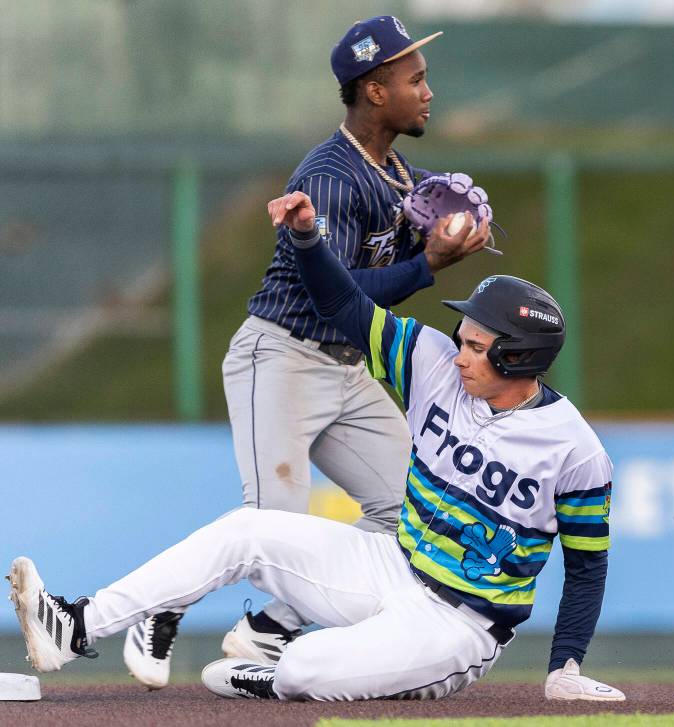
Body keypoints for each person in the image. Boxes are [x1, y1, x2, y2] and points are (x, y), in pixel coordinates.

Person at [9, 190, 624, 703]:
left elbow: (588, 565)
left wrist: (564, 668)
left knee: (309, 670)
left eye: (477, 342)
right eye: (461, 334)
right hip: (392, 565)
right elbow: (343, 305)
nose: (459, 347)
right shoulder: (433, 365)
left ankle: (278, 676)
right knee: (248, 529)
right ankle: (76, 624)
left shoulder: (574, 450)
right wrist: (307, 239)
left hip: (458, 626)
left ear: (519, 356)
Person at [123, 16, 493, 689]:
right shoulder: (328, 178)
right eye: (415, 80)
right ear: (375, 91)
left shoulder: (397, 170)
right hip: (284, 354)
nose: (428, 91)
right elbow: (338, 298)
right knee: (274, 524)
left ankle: (270, 627)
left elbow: (428, 209)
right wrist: (430, 262)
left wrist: (454, 216)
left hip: (346, 367)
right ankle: (158, 609)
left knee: (413, 508)